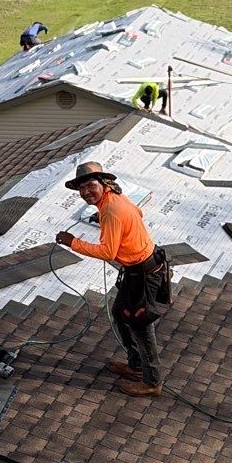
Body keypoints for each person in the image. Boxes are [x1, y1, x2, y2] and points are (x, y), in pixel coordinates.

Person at [55, 160, 170, 397]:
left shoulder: (110, 211)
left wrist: (72, 242)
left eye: (90, 186)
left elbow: (107, 253)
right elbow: (138, 212)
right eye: (81, 189)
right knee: (119, 312)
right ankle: (136, 366)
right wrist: (112, 224)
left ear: (103, 183)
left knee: (140, 325)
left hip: (144, 274)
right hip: (138, 270)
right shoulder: (113, 199)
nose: (86, 193)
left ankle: (152, 381)